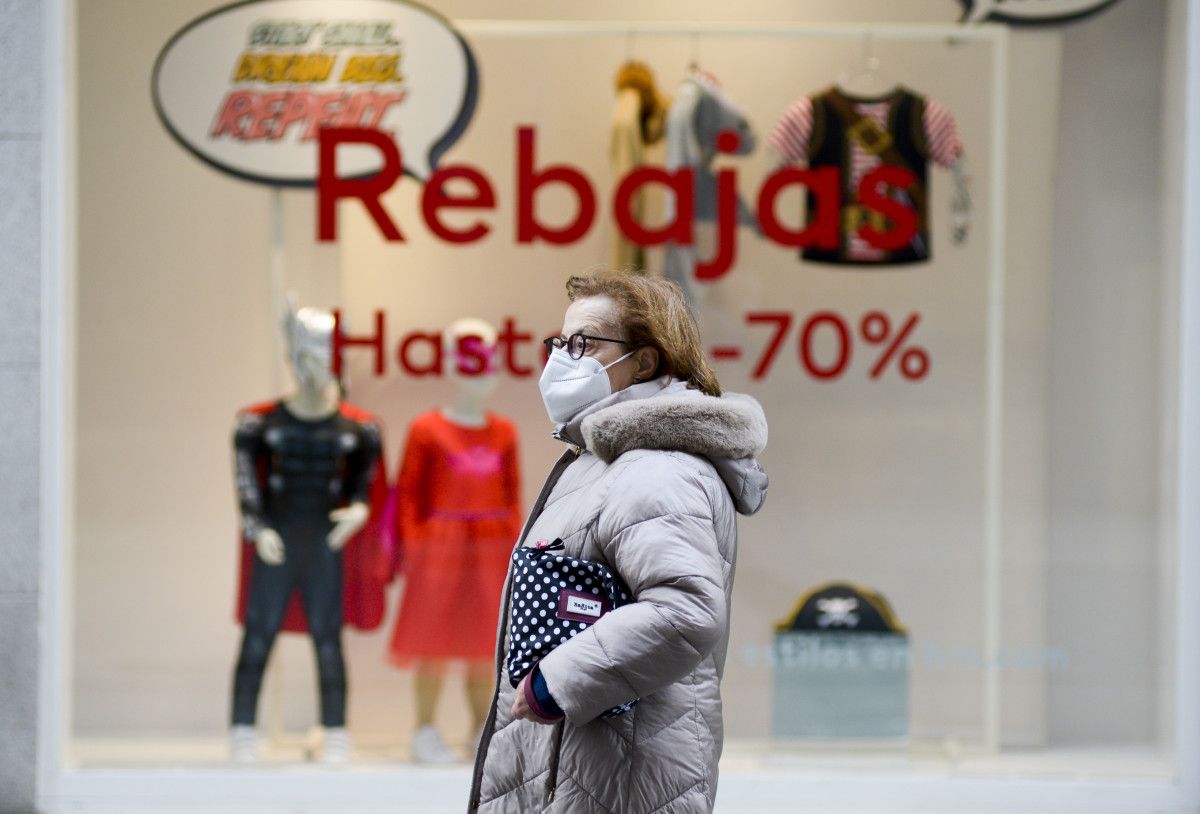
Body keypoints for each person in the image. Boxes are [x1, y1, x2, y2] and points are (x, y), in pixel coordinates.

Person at [468, 271, 769, 812]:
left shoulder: (657, 470)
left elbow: (687, 611)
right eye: (560, 343)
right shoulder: (607, 458)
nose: (563, 358)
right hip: (581, 769)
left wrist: (556, 682)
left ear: (644, 362)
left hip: (616, 777)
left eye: (583, 344)